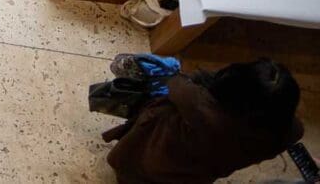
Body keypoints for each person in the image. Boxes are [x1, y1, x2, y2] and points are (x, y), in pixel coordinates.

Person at [103, 58, 306, 183]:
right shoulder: (289, 132)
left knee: (137, 169)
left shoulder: (201, 108)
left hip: (154, 161)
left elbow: (175, 84)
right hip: (198, 176)